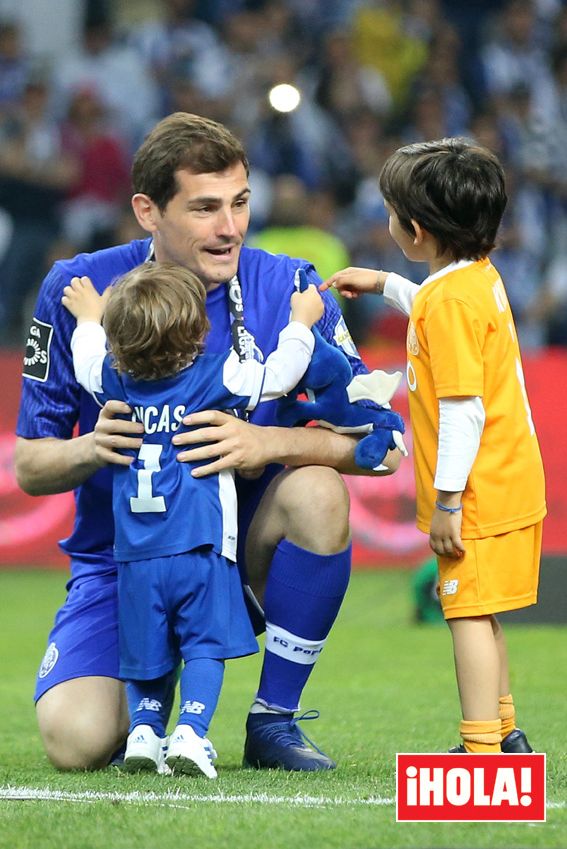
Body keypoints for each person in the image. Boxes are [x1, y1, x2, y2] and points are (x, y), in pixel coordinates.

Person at [15, 111, 402, 773]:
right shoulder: (76, 290)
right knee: (73, 741)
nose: (230, 228)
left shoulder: (290, 286)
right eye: (204, 208)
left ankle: (272, 719)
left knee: (314, 492)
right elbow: (28, 462)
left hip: (232, 546)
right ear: (147, 210)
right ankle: (148, 696)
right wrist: (92, 447)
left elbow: (381, 445)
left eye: (240, 202)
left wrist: (265, 440)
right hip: (122, 559)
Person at [322, 137, 546, 754]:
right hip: (509, 480)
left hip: (475, 491)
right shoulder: (474, 280)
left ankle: (479, 753)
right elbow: (435, 307)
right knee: (484, 608)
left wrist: (447, 502)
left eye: (392, 212)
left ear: (414, 229)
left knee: (466, 615)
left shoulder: (449, 301)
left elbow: (462, 411)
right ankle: (505, 733)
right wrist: (387, 283)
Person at [60, 262, 324, 777]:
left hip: (135, 553)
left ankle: (143, 731)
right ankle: (190, 732)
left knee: (148, 646)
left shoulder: (115, 382)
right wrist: (301, 322)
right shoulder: (215, 374)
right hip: (200, 545)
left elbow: (85, 358)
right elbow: (279, 376)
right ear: (199, 329)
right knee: (203, 643)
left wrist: (90, 317)